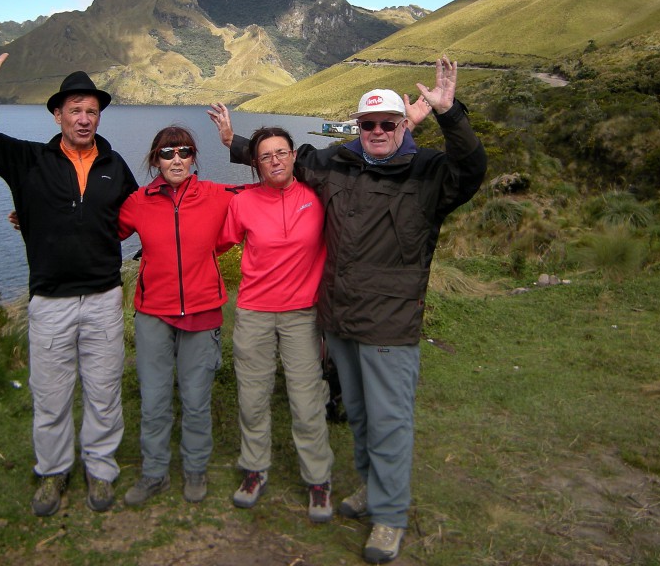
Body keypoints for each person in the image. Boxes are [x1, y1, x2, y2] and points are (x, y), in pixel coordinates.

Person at [209, 57, 487, 564]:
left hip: (391, 322)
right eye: (369, 124)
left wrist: (451, 116)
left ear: (404, 126)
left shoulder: (427, 173)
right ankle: (369, 491)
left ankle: (389, 517)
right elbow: (282, 158)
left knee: (390, 420)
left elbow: (470, 170)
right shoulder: (337, 163)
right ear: (357, 127)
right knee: (358, 414)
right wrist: (233, 143)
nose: (378, 132)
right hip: (338, 319)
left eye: (388, 123)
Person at [0, 25, 137, 518]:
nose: (84, 118)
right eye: (75, 110)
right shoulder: (27, 161)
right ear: (57, 114)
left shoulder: (114, 165)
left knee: (104, 392)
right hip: (50, 302)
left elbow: (129, 218)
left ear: (99, 115)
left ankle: (100, 470)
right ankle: (54, 471)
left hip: (104, 299)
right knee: (52, 394)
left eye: (92, 110)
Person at [116, 126, 246, 506]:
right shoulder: (138, 201)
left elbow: (268, 189)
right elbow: (98, 229)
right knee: (154, 400)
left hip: (202, 311)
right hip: (153, 314)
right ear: (155, 159)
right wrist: (37, 217)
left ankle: (195, 470)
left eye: (184, 152)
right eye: (167, 153)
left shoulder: (216, 194)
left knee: (195, 399)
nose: (176, 159)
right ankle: (154, 473)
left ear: (194, 158)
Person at [216, 126, 335, 523]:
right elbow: (216, 240)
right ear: (256, 164)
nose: (275, 162)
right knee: (252, 397)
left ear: (294, 154)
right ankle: (254, 470)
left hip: (302, 314)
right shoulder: (243, 203)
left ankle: (318, 479)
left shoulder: (318, 197)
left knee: (306, 401)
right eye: (266, 157)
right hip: (254, 313)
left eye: (281, 153)